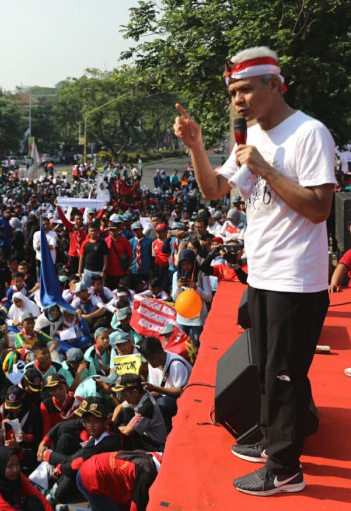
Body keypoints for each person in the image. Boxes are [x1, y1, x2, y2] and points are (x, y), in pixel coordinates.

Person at [174, 45, 335, 495]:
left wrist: (264, 169)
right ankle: (271, 436)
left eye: (245, 90)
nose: (238, 101)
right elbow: (213, 190)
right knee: (265, 368)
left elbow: (321, 208)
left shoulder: (309, 134)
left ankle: (285, 468)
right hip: (262, 274)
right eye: (232, 93)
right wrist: (196, 147)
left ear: (274, 85)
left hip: (296, 278)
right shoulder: (250, 139)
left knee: (284, 372)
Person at [0, 446, 52, 511]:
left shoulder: (18, 476)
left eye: (17, 464)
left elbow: (38, 496)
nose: (15, 470)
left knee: (33, 501)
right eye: (10, 466)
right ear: (0, 467)